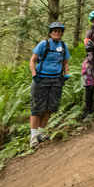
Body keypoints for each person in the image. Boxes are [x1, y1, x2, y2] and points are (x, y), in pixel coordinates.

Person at [29, 21, 70, 149]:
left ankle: (41, 133)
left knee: (50, 107)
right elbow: (33, 60)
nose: (57, 33)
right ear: (51, 33)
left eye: (59, 31)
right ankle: (33, 136)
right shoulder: (44, 44)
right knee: (37, 108)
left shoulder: (63, 46)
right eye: (55, 31)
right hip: (41, 80)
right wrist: (34, 74)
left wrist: (66, 74)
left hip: (56, 80)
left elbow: (65, 62)